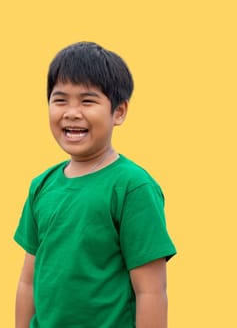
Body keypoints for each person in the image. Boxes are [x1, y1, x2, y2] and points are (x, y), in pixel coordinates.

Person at [14, 41, 176, 328]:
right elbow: (28, 281)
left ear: (119, 112)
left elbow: (150, 291)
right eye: (60, 99)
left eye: (87, 101)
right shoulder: (42, 185)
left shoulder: (132, 187)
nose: (72, 112)